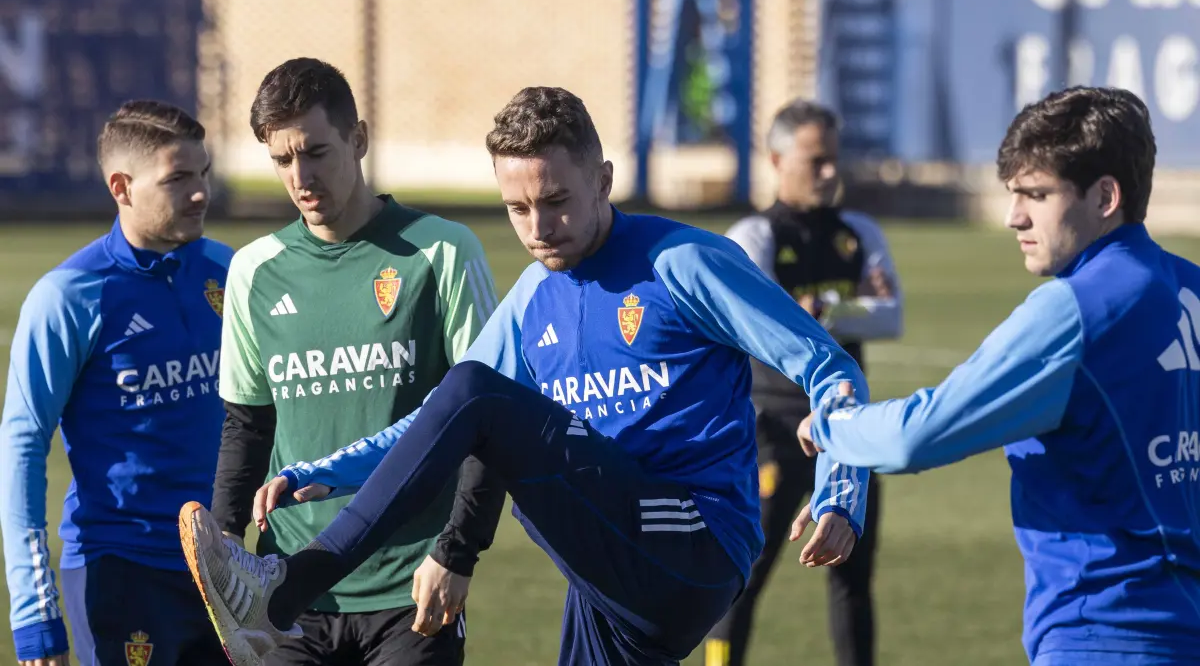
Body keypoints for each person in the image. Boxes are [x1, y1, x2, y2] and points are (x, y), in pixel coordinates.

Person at [180, 85, 874, 666]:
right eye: (518, 208)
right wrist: (325, 472)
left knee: (481, 394)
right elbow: (441, 419)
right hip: (608, 570)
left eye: (557, 199)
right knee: (473, 396)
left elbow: (829, 364)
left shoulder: (683, 261)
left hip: (695, 541)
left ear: (603, 180)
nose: (539, 227)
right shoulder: (534, 297)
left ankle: (285, 593)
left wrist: (842, 490)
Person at [797, 86, 1200, 665]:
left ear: (1105, 196)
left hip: (1103, 634)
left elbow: (921, 433)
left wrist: (834, 425)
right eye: (1013, 194)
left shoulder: (1075, 309)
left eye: (1036, 194)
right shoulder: (1190, 287)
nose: (1014, 217)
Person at [207, 57, 501, 666]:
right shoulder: (253, 272)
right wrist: (226, 544)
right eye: (282, 160)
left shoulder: (443, 251)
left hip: (411, 586)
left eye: (316, 152)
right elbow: (248, 424)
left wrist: (456, 553)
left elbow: (489, 419)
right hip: (289, 585)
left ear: (359, 139)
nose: (300, 177)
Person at [0, 100, 231, 666]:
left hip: (227, 568)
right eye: (178, 179)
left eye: (203, 173)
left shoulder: (229, 271)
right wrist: (33, 609)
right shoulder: (69, 295)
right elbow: (23, 444)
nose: (200, 193)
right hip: (121, 572)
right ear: (121, 187)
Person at [705, 99, 901, 666]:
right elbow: (756, 321)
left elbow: (892, 315)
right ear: (776, 160)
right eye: (816, 160)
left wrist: (822, 306)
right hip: (770, 429)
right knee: (741, 577)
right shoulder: (753, 234)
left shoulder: (858, 232)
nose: (830, 172)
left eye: (834, 158)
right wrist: (850, 305)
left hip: (847, 429)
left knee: (852, 581)